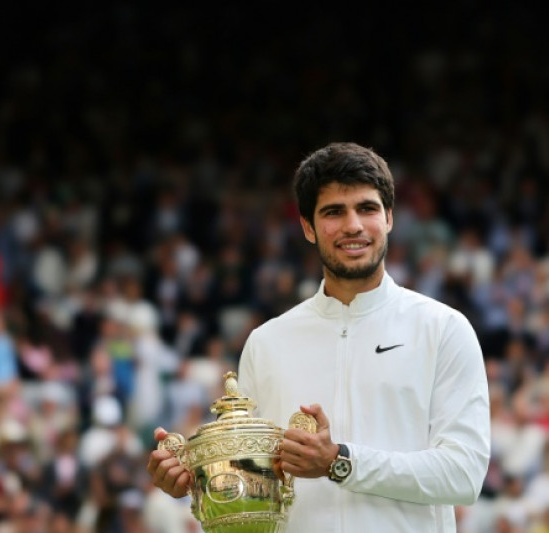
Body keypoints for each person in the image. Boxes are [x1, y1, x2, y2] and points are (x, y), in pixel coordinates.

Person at [147, 142, 490, 532]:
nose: (353, 226)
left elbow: (464, 475)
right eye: (333, 212)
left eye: (367, 208)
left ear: (390, 218)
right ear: (308, 227)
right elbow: (257, 488)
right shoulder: (266, 343)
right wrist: (198, 479)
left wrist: (339, 462)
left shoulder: (443, 329)